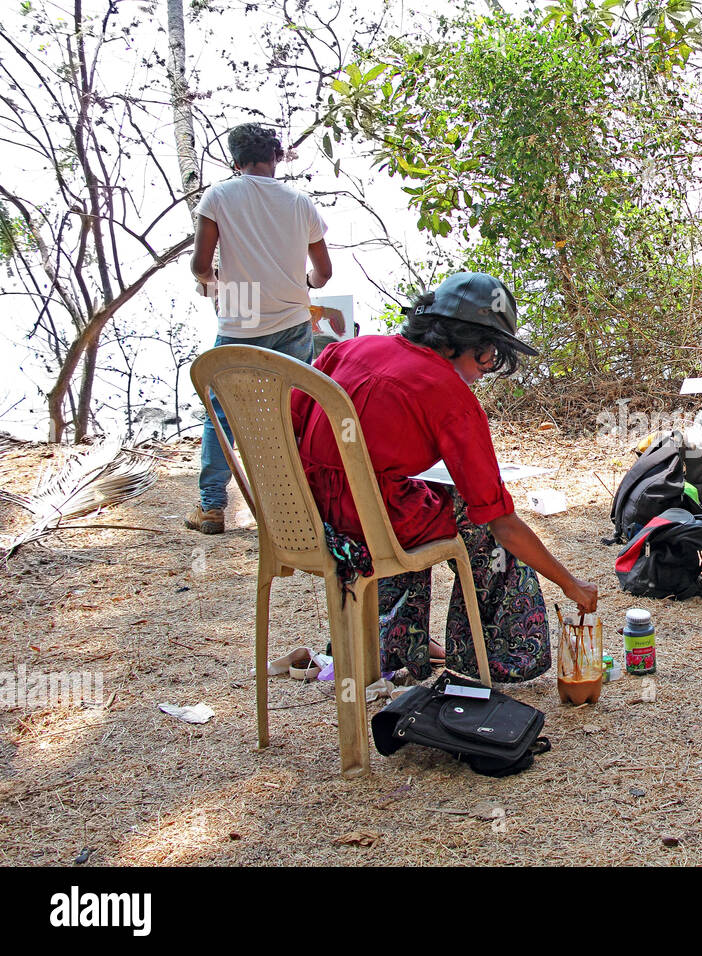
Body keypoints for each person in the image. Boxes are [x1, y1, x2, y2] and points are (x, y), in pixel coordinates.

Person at [291, 272, 598, 683]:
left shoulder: (349, 349)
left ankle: (390, 641)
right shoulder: (451, 398)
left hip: (308, 518)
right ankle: (494, 658)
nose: (484, 372)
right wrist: (571, 583)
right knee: (483, 529)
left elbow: (289, 422)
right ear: (459, 341)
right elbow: (500, 520)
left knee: (421, 496)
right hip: (371, 529)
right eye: (486, 357)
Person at [186, 122, 333, 535]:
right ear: (276, 157)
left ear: (236, 161)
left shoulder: (219, 196)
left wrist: (216, 282)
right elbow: (323, 272)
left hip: (241, 311)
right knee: (291, 411)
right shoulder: (299, 202)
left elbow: (200, 267)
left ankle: (212, 507)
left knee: (222, 414)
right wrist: (303, 285)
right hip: (291, 314)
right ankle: (299, 505)